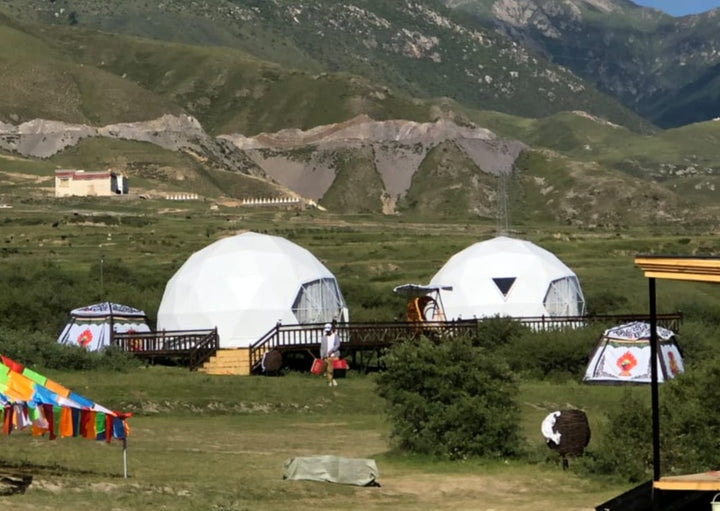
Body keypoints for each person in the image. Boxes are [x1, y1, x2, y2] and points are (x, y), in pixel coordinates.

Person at [320, 322, 340, 387]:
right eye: (326, 331)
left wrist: (332, 351)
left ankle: (333, 379)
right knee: (328, 369)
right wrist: (321, 356)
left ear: (331, 329)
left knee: (333, 369)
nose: (327, 332)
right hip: (326, 356)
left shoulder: (335, 336)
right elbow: (322, 348)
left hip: (334, 355)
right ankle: (330, 382)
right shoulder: (323, 337)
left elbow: (338, 345)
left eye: (328, 330)